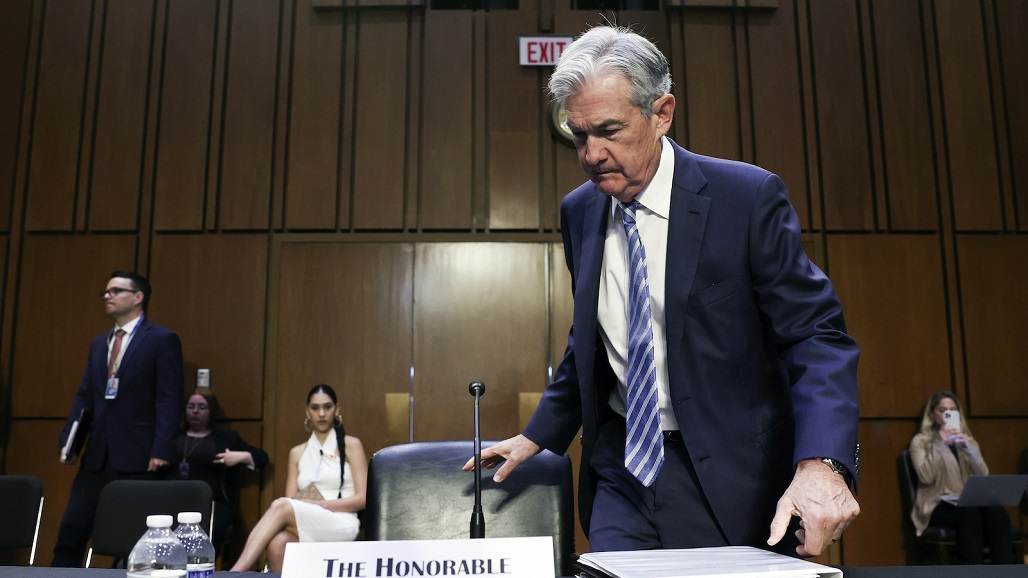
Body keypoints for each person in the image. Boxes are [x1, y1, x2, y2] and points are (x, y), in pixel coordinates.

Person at [465, 25, 860, 557]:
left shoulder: (745, 199)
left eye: (609, 130)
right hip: (623, 470)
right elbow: (594, 337)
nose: (592, 153)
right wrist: (538, 435)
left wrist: (822, 462)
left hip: (733, 479)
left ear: (662, 112)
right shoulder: (579, 211)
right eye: (580, 134)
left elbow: (817, 337)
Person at [52, 271, 184, 567]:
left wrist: (162, 449)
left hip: (140, 455)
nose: (107, 296)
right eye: (106, 291)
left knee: (134, 539)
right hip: (97, 454)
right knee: (71, 529)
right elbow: (85, 396)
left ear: (138, 298)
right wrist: (70, 443)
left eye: (115, 291)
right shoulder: (100, 344)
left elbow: (169, 398)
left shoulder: (162, 339)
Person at [230, 384, 366, 572]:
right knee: (278, 544)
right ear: (307, 412)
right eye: (315, 407)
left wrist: (321, 506)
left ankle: (235, 572)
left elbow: (363, 498)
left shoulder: (351, 445)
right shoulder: (297, 452)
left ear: (337, 410)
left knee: (280, 505)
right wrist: (309, 507)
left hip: (342, 522)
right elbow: (292, 500)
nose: (321, 414)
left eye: (327, 407)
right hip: (310, 519)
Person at [908, 391, 1014, 564]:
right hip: (936, 504)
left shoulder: (968, 441)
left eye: (952, 410)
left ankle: (1006, 570)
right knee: (969, 514)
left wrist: (969, 449)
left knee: (997, 511)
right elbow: (925, 477)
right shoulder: (921, 442)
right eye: (942, 410)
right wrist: (941, 445)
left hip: (965, 500)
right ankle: (974, 571)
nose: (947, 415)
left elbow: (983, 475)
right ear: (932, 414)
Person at [166, 387, 269, 555]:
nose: (196, 411)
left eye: (202, 407)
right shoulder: (172, 437)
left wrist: (240, 457)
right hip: (173, 500)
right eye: (191, 406)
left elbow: (261, 457)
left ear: (211, 411)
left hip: (212, 503)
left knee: (212, 528)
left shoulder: (226, 439)